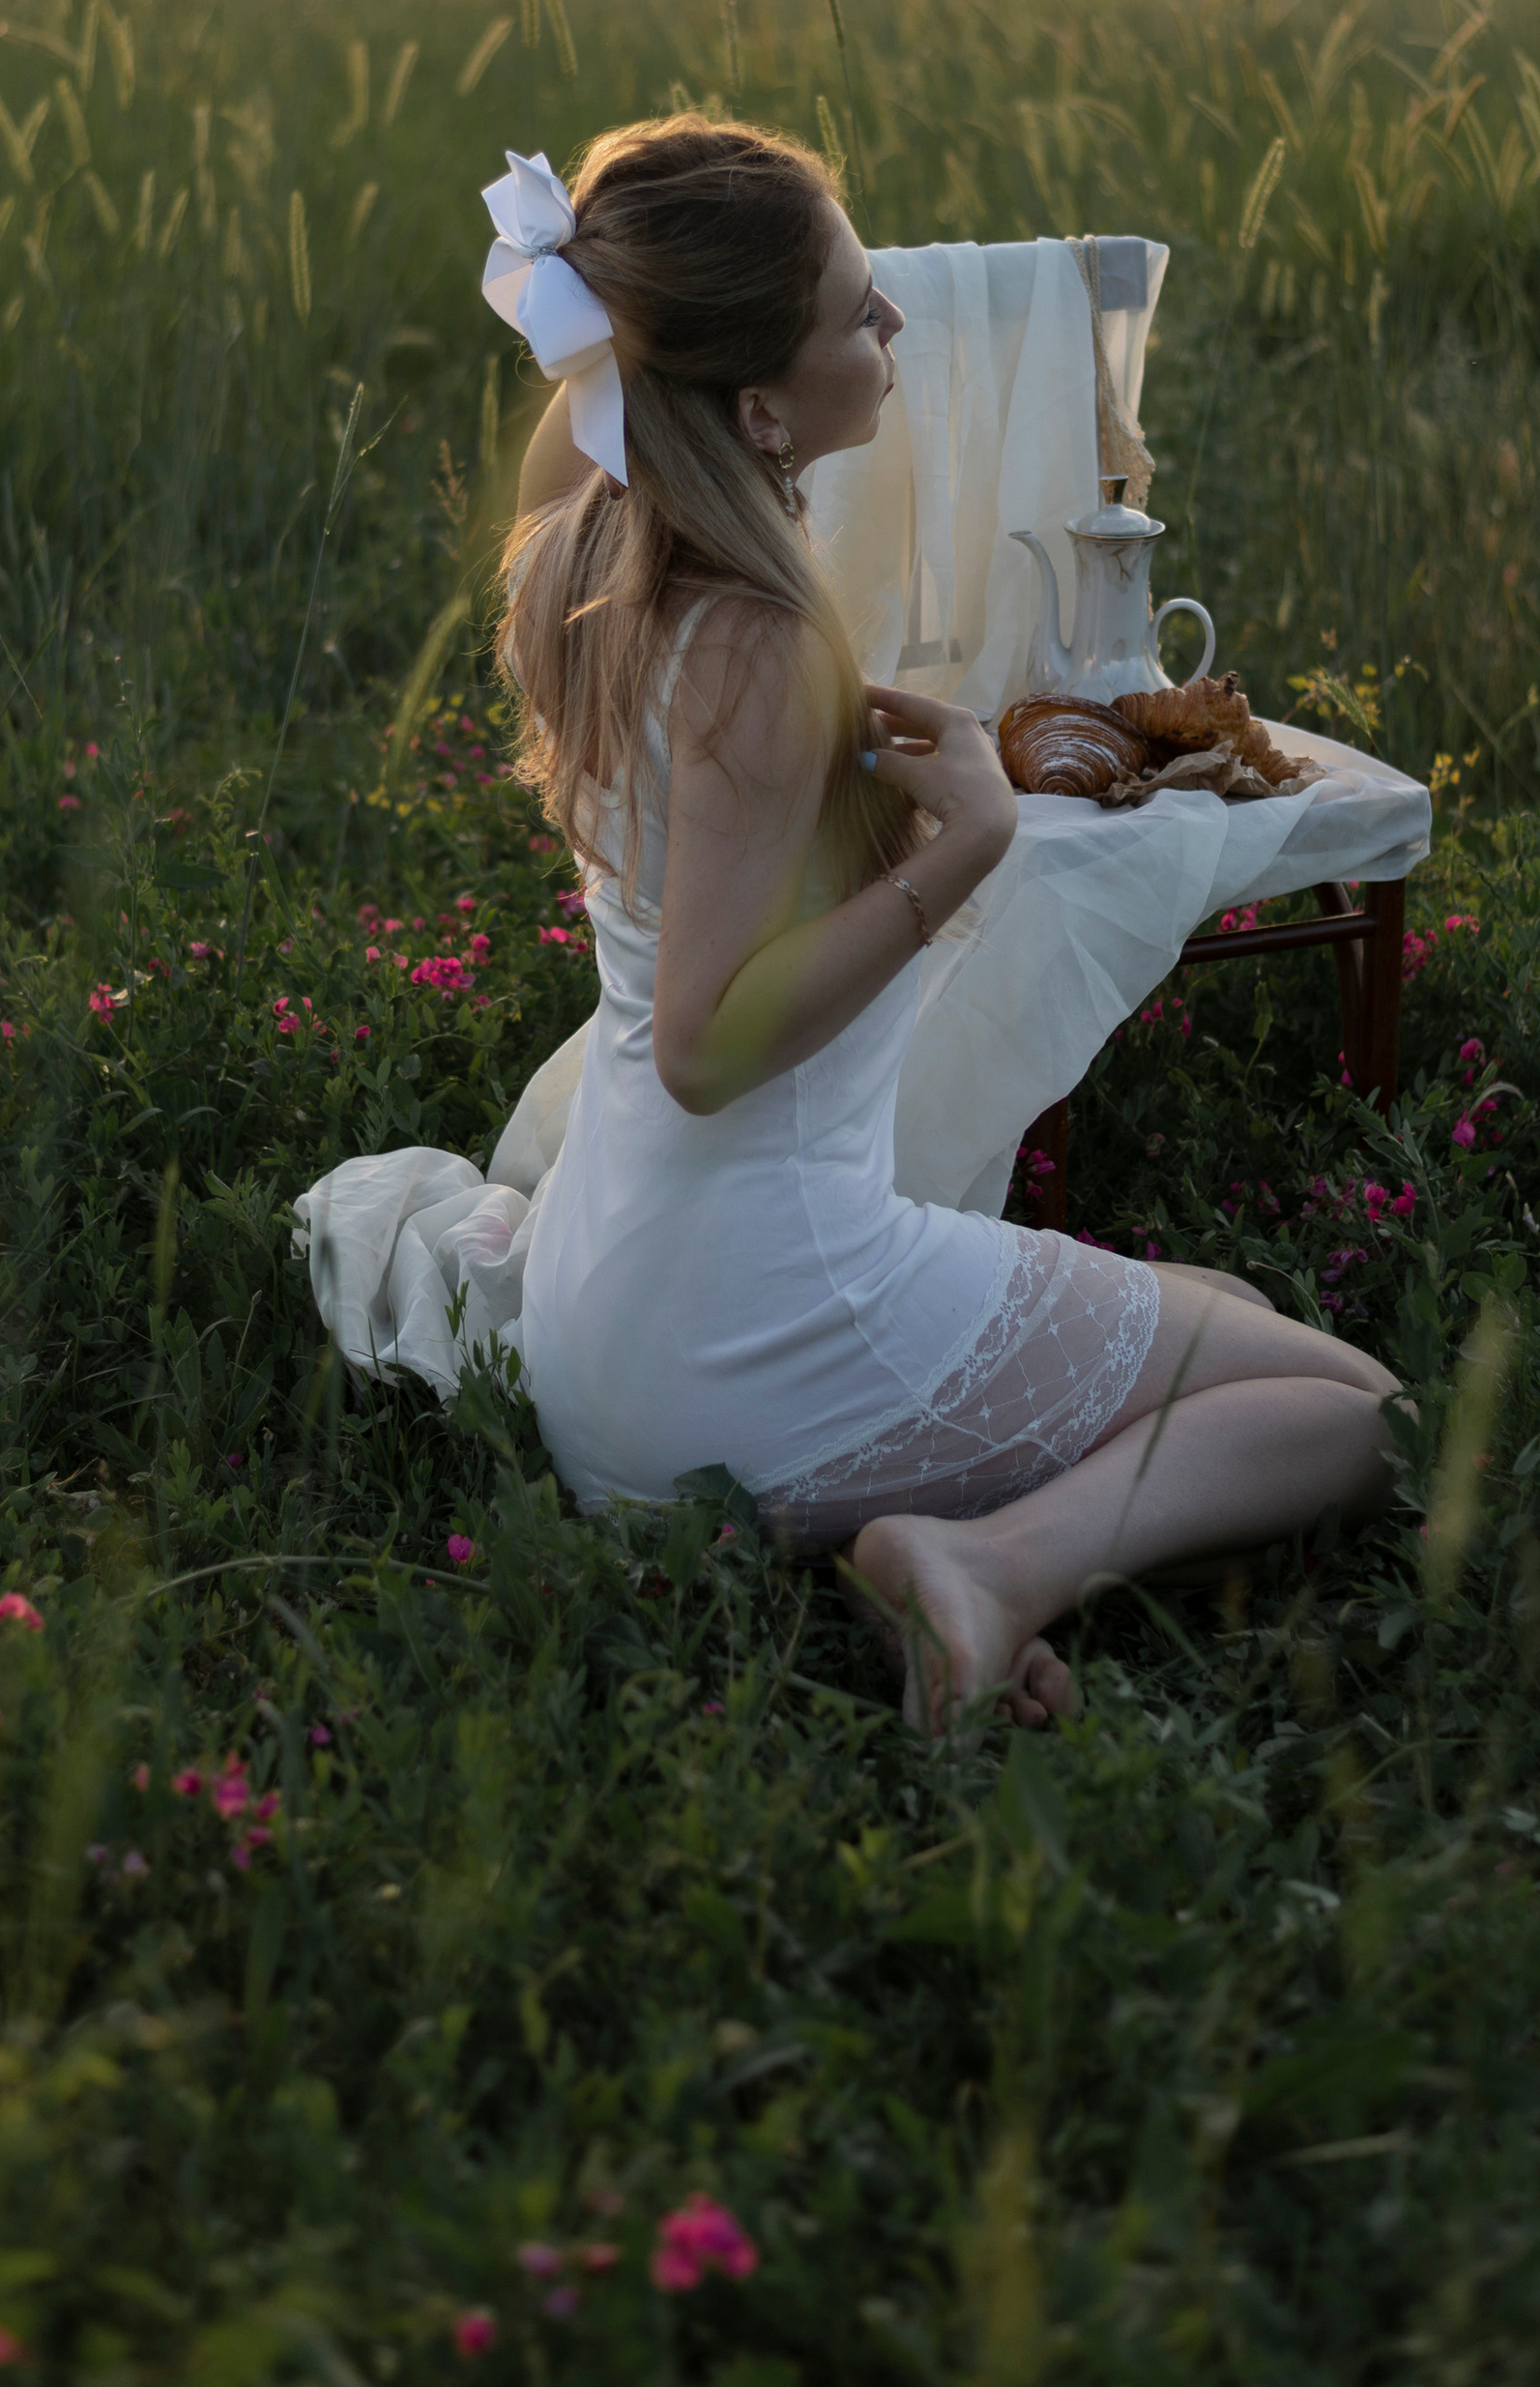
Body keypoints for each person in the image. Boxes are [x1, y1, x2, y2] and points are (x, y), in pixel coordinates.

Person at [485, 115, 1403, 1732]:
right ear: (760, 402)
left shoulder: (583, 538)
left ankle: (963, 1536)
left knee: (1243, 1334)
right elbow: (702, 1045)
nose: (895, 324)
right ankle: (986, 1568)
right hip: (751, 1322)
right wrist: (963, 845)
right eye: (857, 309)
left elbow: (598, 399)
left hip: (605, 1308)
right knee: (1352, 1411)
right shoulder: (759, 641)